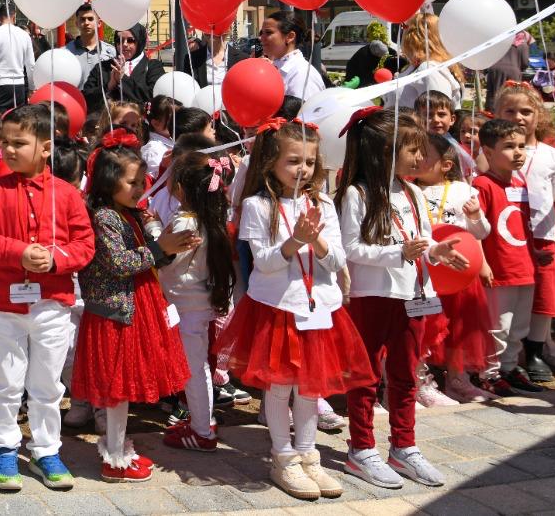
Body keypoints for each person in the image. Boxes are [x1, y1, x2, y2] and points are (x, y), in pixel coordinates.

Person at [214, 119, 373, 502]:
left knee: (310, 386)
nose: (302, 169)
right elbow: (265, 263)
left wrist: (314, 238)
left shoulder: (323, 205)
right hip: (278, 308)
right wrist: (293, 240)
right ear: (270, 162)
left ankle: (307, 453)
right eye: (292, 161)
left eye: (308, 161)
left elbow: (336, 260)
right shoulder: (257, 205)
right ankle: (282, 456)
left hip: (319, 308)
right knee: (280, 384)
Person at [336, 109, 465, 490]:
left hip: (413, 294)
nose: (420, 158)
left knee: (406, 373)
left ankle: (404, 446)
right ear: (385, 152)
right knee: (365, 375)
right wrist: (399, 254)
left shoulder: (411, 192)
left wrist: (436, 251)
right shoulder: (358, 194)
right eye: (412, 150)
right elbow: (350, 248)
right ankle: (361, 449)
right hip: (373, 295)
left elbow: (421, 237)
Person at [0, 104, 95, 494]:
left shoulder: (67, 194)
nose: (8, 150)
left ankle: (46, 449)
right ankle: (4, 447)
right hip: (5, 306)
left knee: (47, 384)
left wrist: (56, 259)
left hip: (52, 305)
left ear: (45, 147)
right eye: (5, 142)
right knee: (5, 381)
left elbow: (85, 244)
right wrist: (19, 254)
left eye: (18, 143)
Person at [72, 134, 193, 483]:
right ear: (109, 180)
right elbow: (119, 262)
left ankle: (118, 448)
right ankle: (114, 458)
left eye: (142, 180)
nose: (140, 187)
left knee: (120, 390)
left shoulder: (128, 213)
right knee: (116, 389)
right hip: (116, 314)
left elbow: (147, 259)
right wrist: (161, 247)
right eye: (132, 181)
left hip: (135, 308)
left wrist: (170, 245)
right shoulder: (104, 217)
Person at [157, 143, 237, 453]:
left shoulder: (185, 223)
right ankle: (203, 421)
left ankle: (203, 431)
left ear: (179, 188)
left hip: (185, 306)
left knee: (194, 369)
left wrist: (154, 232)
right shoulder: (210, 217)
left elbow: (168, 261)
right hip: (199, 303)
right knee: (197, 366)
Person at [493, 82, 555, 382]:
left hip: (542, 234)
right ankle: (504, 356)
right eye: (510, 111)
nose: (518, 117)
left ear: (538, 115)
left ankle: (536, 351)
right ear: (497, 113)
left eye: (526, 111)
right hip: (506, 237)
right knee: (509, 297)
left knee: (543, 296)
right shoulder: (493, 152)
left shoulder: (551, 155)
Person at [413, 134, 494, 403]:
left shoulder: (463, 190)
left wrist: (475, 216)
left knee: (460, 326)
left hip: (459, 273)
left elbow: (481, 233)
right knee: (424, 325)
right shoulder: (409, 190)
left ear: (446, 165)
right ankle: (420, 380)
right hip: (426, 271)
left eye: (424, 154)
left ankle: (458, 380)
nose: (417, 159)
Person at [471, 118, 539, 396]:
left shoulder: (520, 180)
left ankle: (510, 368)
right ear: (487, 152)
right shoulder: (482, 184)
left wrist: (533, 253)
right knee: (497, 326)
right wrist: (483, 264)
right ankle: (488, 373)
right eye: (509, 147)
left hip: (523, 265)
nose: (518, 152)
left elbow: (521, 223)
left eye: (522, 146)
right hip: (499, 269)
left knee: (519, 326)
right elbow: (475, 229)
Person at [86, 25, 165, 110]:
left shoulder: (153, 67)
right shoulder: (102, 67)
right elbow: (87, 98)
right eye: (119, 40)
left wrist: (122, 78)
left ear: (140, 41)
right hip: (107, 121)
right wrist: (109, 85)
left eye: (130, 40)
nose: (124, 44)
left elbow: (154, 97)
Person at [260, 10, 326, 101]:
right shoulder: (273, 68)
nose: (261, 38)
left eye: (268, 32)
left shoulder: (301, 74)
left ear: (290, 37)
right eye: (261, 33)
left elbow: (302, 113)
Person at [65, 4, 116, 86]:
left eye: (90, 19)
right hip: (75, 98)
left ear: (99, 23)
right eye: (82, 19)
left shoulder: (111, 52)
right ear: (76, 23)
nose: (86, 23)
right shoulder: (65, 52)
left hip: (103, 98)